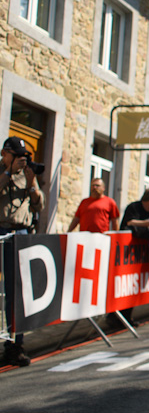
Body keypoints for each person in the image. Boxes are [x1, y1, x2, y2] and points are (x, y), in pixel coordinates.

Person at [0, 137, 45, 367]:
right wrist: (7, 173)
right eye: (16, 156)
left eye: (23, 157)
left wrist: (31, 183)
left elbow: (39, 204)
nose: (20, 161)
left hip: (20, 234)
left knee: (16, 291)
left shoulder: (26, 175)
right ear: (4, 153)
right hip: (2, 231)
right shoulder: (3, 172)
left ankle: (15, 344)